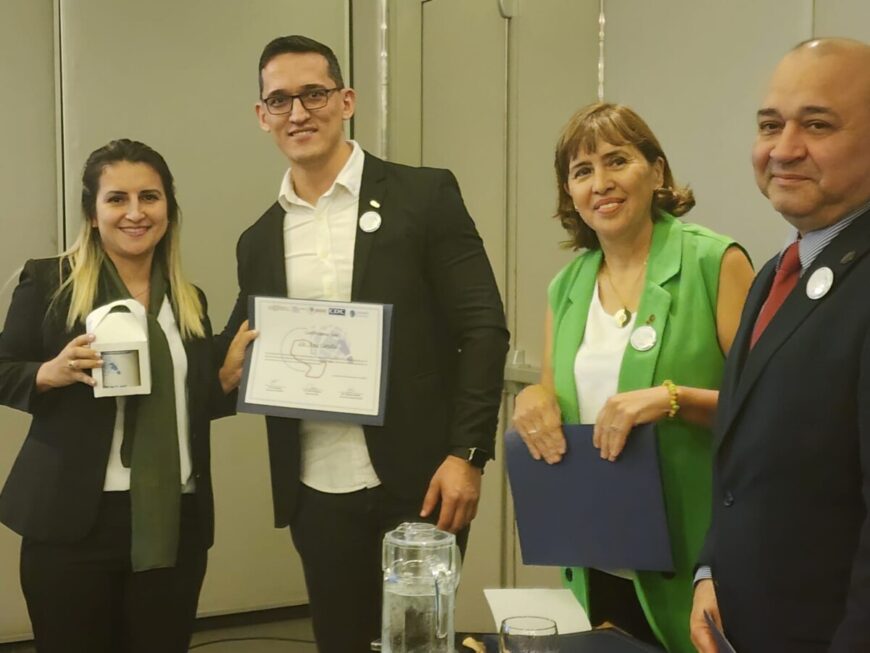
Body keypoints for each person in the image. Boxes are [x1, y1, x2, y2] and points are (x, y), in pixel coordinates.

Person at [216, 35, 509, 652]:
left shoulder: (424, 196)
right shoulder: (258, 240)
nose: (298, 112)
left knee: (419, 643)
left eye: (314, 94)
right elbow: (239, 347)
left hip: (425, 480)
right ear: (262, 115)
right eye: (280, 100)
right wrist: (226, 369)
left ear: (346, 101)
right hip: (317, 490)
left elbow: (483, 327)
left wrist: (468, 454)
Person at [513, 103, 754, 653]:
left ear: (657, 171)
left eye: (617, 161)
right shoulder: (567, 286)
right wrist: (532, 396)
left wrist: (672, 400)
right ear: (570, 193)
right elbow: (554, 391)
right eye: (582, 171)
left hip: (699, 562)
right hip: (598, 556)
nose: (601, 183)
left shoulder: (713, 262)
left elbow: (767, 410)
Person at [0, 139, 221, 653]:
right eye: (117, 198)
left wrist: (229, 379)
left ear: (169, 209)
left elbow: (192, 402)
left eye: (150, 197)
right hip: (73, 523)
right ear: (92, 213)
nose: (135, 213)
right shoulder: (50, 283)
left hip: (172, 520)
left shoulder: (189, 301)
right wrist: (47, 373)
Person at [690, 38, 870, 653]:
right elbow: (747, 455)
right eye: (770, 125)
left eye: (817, 125)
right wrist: (711, 568)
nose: (783, 149)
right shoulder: (775, 273)